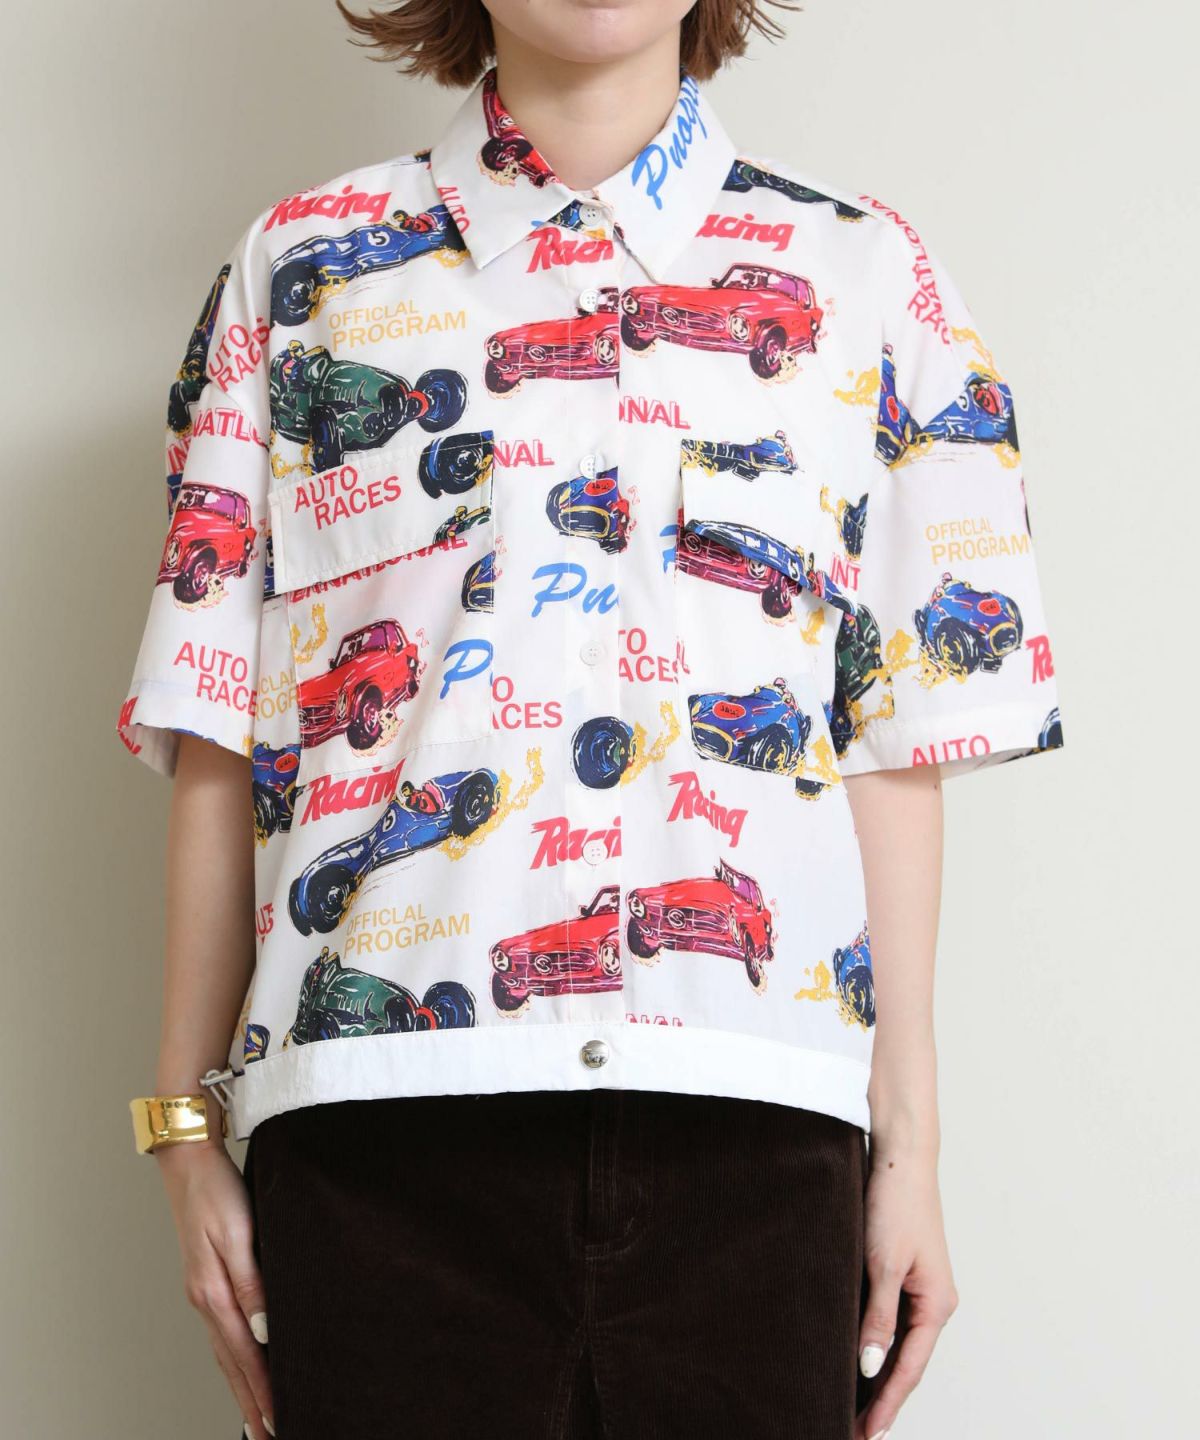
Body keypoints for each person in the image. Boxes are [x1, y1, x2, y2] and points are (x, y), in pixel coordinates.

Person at [117, 3, 1065, 1438]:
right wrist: (182, 1132)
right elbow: (217, 727)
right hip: (379, 1141)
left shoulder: (868, 272)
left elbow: (891, 745)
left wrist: (911, 1151)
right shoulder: (299, 267)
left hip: (756, 1135)